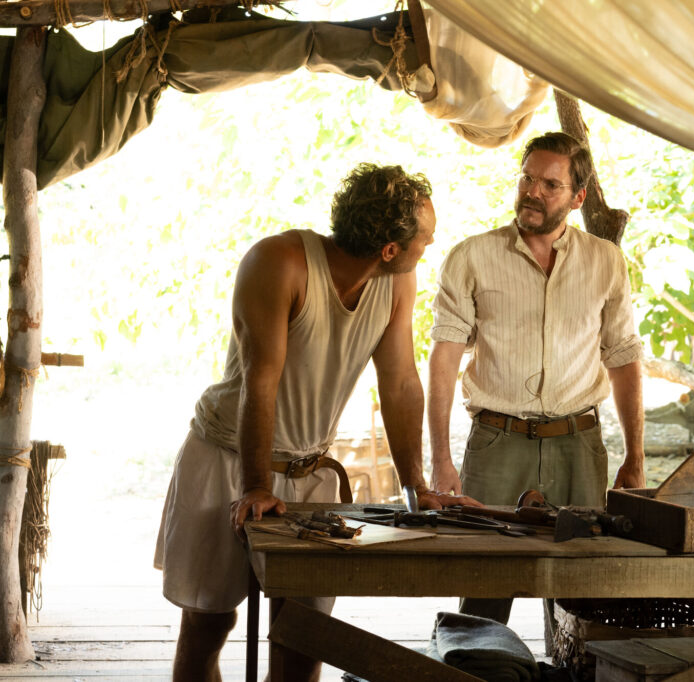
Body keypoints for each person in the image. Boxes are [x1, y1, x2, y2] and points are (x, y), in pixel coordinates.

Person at [154, 163, 476, 682]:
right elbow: (261, 381)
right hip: (227, 459)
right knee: (208, 623)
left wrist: (416, 486)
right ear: (388, 248)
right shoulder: (279, 262)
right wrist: (255, 486)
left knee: (304, 638)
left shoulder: (396, 281)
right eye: (425, 237)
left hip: (311, 472)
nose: (430, 245)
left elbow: (398, 382)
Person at [427, 131, 646, 624]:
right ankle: (478, 661)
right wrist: (440, 459)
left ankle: (575, 663)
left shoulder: (605, 261)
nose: (533, 192)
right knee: (483, 591)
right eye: (527, 178)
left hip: (578, 444)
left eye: (550, 185)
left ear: (578, 197)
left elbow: (623, 356)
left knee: (587, 593)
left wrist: (635, 457)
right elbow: (443, 359)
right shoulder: (471, 257)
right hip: (496, 443)